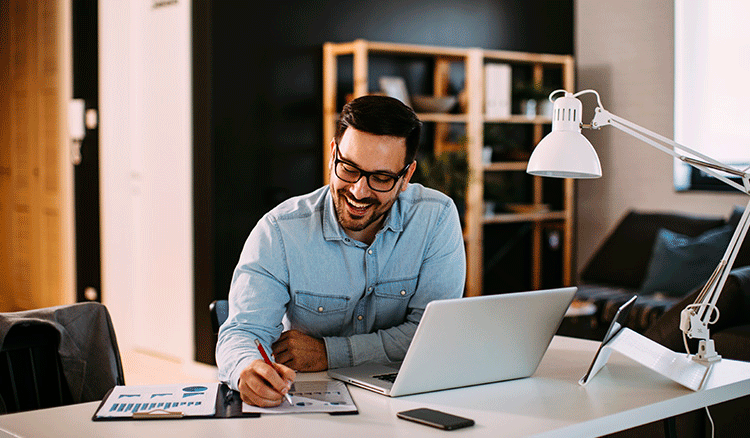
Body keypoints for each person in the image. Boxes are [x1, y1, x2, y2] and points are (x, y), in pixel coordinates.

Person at [216, 95, 466, 407]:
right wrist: (246, 369)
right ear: (333, 153)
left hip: (406, 399)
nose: (359, 191)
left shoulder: (436, 218)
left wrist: (328, 353)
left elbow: (429, 335)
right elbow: (241, 333)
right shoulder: (280, 231)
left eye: (382, 178)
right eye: (349, 168)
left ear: (406, 177)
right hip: (310, 405)